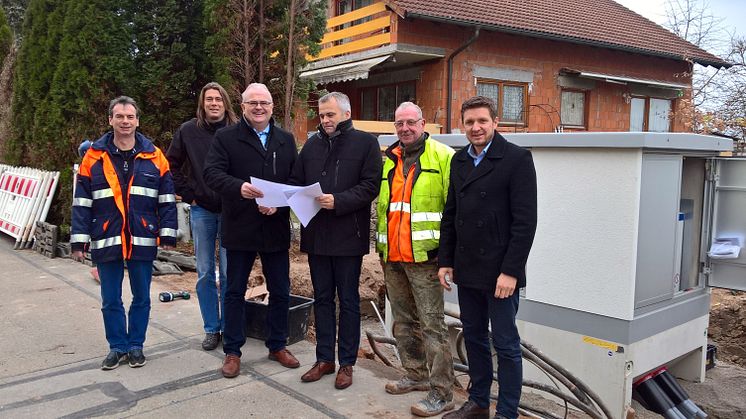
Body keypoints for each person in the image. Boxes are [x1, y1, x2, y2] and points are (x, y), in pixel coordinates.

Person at [438, 96, 537, 419]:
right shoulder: (459, 161)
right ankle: (479, 401)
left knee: (506, 345)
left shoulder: (516, 159)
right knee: (475, 337)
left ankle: (507, 412)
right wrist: (445, 260)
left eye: (482, 121)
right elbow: (451, 213)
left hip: (500, 274)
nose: (476, 127)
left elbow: (525, 222)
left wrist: (511, 272)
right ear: (463, 125)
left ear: (495, 122)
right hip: (467, 268)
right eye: (469, 122)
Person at [71, 96, 178, 370]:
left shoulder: (155, 156)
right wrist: (79, 241)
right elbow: (82, 203)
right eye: (120, 116)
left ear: (137, 121)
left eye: (130, 117)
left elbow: (166, 198)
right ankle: (117, 347)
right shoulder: (93, 157)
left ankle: (136, 346)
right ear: (111, 120)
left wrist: (167, 234)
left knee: (141, 297)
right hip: (107, 236)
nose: (125, 121)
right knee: (110, 298)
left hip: (142, 236)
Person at [203, 83, 299, 378]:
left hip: (274, 227)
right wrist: (239, 187)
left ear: (272, 107)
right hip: (240, 225)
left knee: (281, 289)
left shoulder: (285, 139)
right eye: (252, 103)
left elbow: (295, 181)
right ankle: (232, 351)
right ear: (242, 106)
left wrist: (279, 205)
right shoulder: (226, 137)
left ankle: (277, 344)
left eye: (264, 103)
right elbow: (212, 173)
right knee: (233, 291)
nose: (259, 108)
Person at [290, 92, 382, 390]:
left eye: (330, 114)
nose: (325, 120)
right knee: (322, 299)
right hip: (316, 235)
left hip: (348, 236)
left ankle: (347, 363)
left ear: (346, 112)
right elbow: (297, 181)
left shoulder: (365, 143)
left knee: (350, 301)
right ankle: (324, 359)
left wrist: (338, 200)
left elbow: (370, 186)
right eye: (322, 115)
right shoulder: (312, 145)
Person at [376, 102, 456, 416]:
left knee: (433, 326)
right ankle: (415, 373)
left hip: (426, 259)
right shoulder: (389, 159)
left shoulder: (443, 157)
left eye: (411, 122)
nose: (405, 128)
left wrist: (447, 258)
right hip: (392, 258)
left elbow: (453, 212)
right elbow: (386, 209)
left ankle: (443, 393)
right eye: (399, 123)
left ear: (423, 123)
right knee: (404, 322)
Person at [167, 82, 238, 351]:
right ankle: (212, 328)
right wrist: (188, 194)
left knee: (232, 272)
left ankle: (231, 327)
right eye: (209, 99)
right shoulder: (188, 131)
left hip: (232, 211)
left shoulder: (236, 130)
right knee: (205, 271)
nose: (214, 103)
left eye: (218, 99)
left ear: (225, 103)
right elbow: (171, 165)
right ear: (202, 103)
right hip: (202, 210)